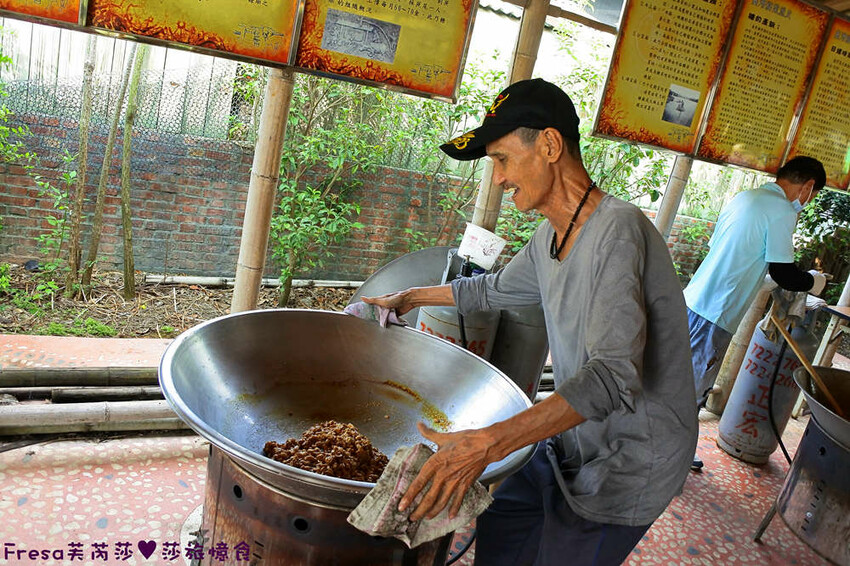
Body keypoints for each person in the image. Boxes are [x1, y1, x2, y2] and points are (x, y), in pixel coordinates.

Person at [364, 78, 698, 566]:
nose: (498, 178)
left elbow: (612, 376)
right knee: (507, 514)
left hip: (629, 459)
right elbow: (490, 290)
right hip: (573, 436)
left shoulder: (618, 232)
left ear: (549, 144)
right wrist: (410, 297)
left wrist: (488, 443)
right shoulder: (550, 238)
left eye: (501, 159)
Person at [684, 156, 827, 470]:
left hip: (693, 300)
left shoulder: (747, 197)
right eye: (812, 195)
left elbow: (736, 252)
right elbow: (784, 272)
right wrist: (813, 282)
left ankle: (671, 451)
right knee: (692, 389)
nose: (807, 201)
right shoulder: (781, 210)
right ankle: (669, 460)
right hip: (716, 312)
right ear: (808, 187)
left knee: (678, 379)